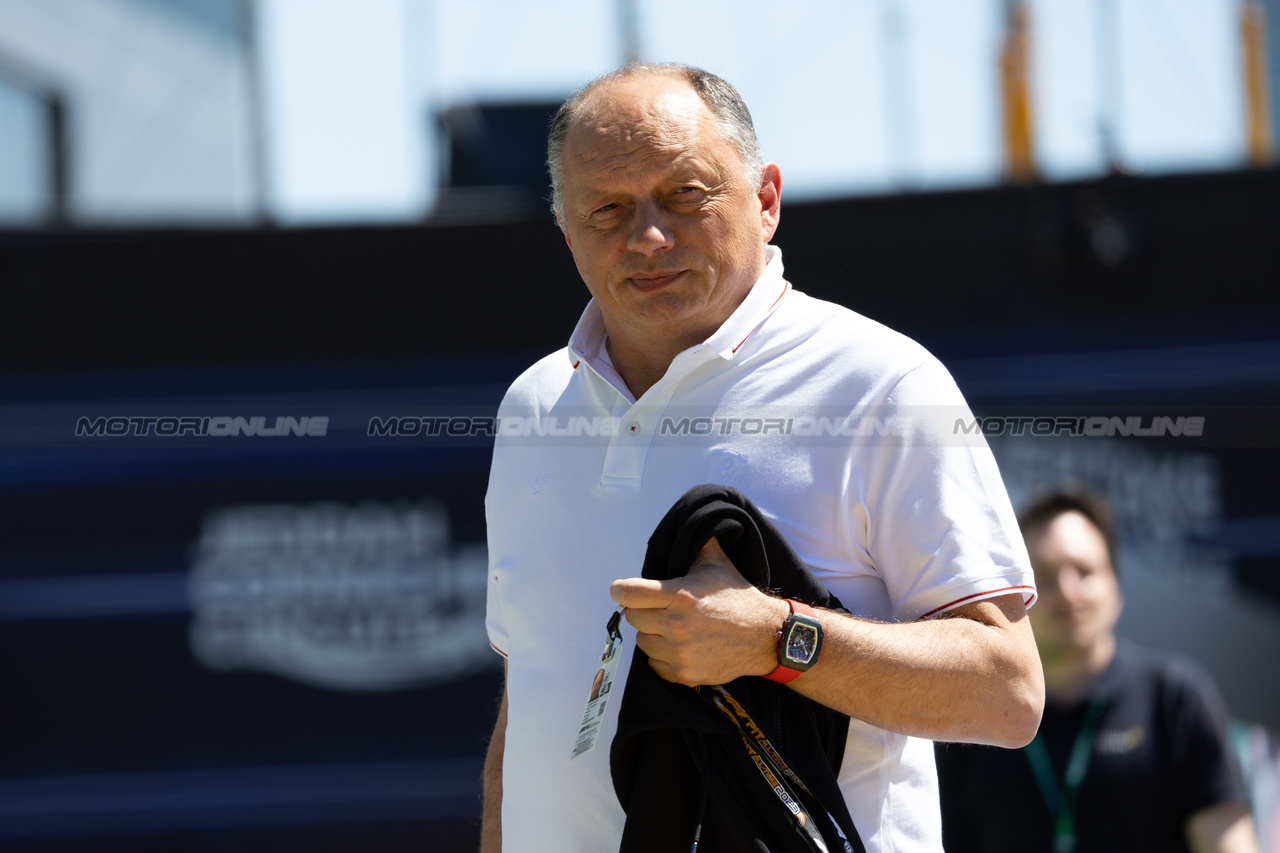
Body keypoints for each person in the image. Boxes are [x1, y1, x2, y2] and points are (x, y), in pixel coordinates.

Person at [482, 63, 1044, 853]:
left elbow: (1007, 690)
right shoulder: (535, 407)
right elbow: (532, 696)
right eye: (607, 208)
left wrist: (778, 638)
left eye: (685, 193)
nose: (648, 236)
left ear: (766, 198)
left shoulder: (883, 383)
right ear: (566, 231)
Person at [936, 489, 1258, 853]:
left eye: (1085, 572)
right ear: (1014, 598)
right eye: (1044, 576)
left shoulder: (1175, 696)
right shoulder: (973, 723)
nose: (1068, 592)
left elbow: (1229, 842)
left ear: (1116, 589)